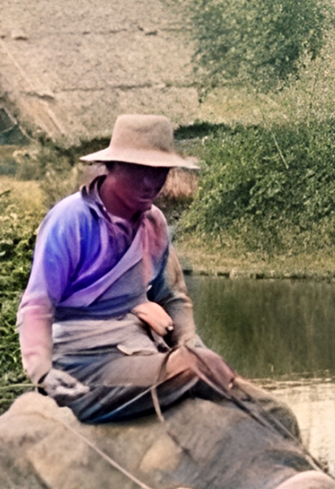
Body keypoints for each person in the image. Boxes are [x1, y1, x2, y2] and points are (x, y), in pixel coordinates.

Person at [17, 113, 237, 424]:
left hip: (138, 350)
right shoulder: (71, 220)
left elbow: (172, 296)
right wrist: (42, 372)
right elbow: (37, 305)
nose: (150, 183)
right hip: (82, 362)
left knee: (211, 367)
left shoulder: (154, 224)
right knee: (195, 367)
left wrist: (189, 342)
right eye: (138, 171)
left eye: (159, 172)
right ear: (111, 167)